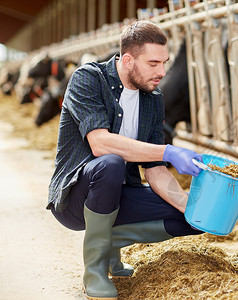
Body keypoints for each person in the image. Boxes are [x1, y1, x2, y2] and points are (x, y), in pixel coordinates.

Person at [47, 20, 204, 300]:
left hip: (119, 194)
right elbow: (100, 144)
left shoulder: (153, 99)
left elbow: (154, 171)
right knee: (111, 163)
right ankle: (94, 270)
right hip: (75, 199)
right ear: (128, 59)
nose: (162, 72)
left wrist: (187, 205)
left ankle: (109, 246)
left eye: (164, 62)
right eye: (153, 63)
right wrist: (167, 152)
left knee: (192, 219)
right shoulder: (88, 79)